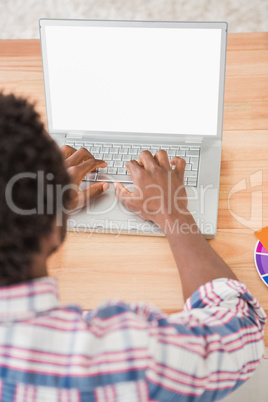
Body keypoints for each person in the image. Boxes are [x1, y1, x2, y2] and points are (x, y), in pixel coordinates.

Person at [0, 92, 266, 402]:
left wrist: (43, 209)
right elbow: (241, 330)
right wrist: (172, 211)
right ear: (53, 232)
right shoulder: (123, 359)